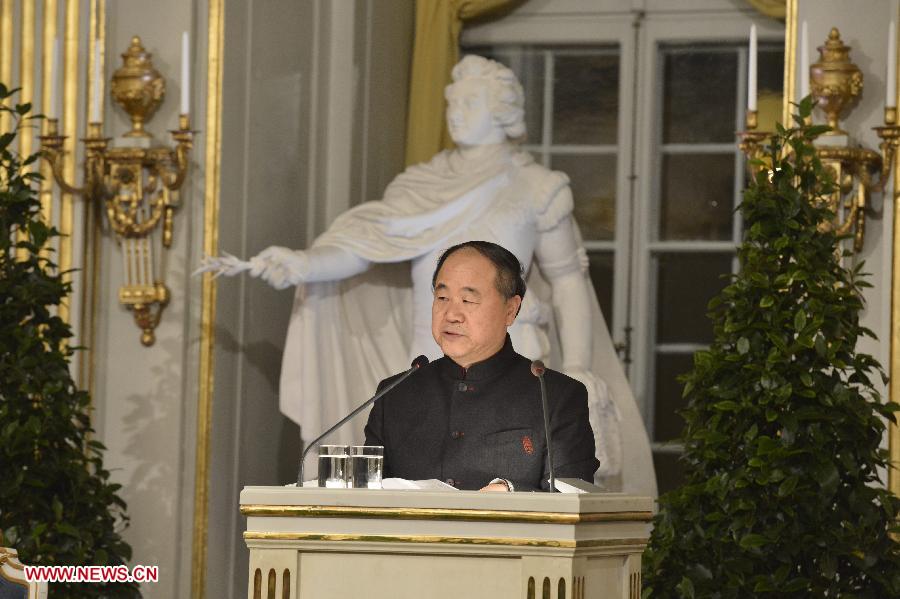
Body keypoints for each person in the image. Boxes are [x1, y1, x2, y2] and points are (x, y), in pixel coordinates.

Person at [199, 55, 655, 496]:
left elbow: (568, 279)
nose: (456, 114)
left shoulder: (537, 188)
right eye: (443, 297)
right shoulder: (396, 393)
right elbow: (367, 244)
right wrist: (303, 263)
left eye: (469, 103)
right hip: (422, 368)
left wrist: (576, 364)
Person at [364, 241, 598, 492]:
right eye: (442, 297)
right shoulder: (395, 394)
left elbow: (574, 499)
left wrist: (511, 491)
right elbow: (368, 496)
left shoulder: (554, 395)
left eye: (467, 300)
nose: (452, 314)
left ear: (511, 309)